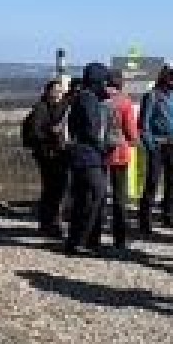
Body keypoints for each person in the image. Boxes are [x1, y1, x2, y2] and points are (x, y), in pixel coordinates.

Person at [64, 62, 113, 255]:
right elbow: (92, 130)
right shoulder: (88, 100)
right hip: (88, 156)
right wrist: (103, 148)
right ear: (97, 81)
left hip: (83, 155)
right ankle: (81, 240)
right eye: (103, 82)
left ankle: (80, 240)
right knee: (94, 195)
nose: (106, 86)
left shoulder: (84, 98)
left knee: (85, 197)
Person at [138, 65, 173, 234]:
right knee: (152, 182)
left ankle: (169, 216)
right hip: (158, 144)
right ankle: (145, 220)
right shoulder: (152, 96)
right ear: (164, 76)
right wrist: (151, 145)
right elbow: (144, 124)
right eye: (172, 75)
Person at [22, 78, 70, 236]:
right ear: (48, 92)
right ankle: (48, 224)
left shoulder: (65, 107)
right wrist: (52, 131)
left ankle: (53, 222)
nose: (58, 93)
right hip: (46, 155)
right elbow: (35, 133)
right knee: (51, 189)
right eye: (55, 90)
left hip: (61, 154)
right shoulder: (40, 109)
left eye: (60, 90)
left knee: (60, 189)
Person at [103, 69, 139, 253]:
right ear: (121, 83)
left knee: (99, 195)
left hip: (99, 153)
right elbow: (131, 132)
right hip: (119, 153)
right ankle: (119, 238)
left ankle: (94, 233)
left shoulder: (100, 99)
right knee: (119, 197)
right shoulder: (124, 102)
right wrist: (134, 141)